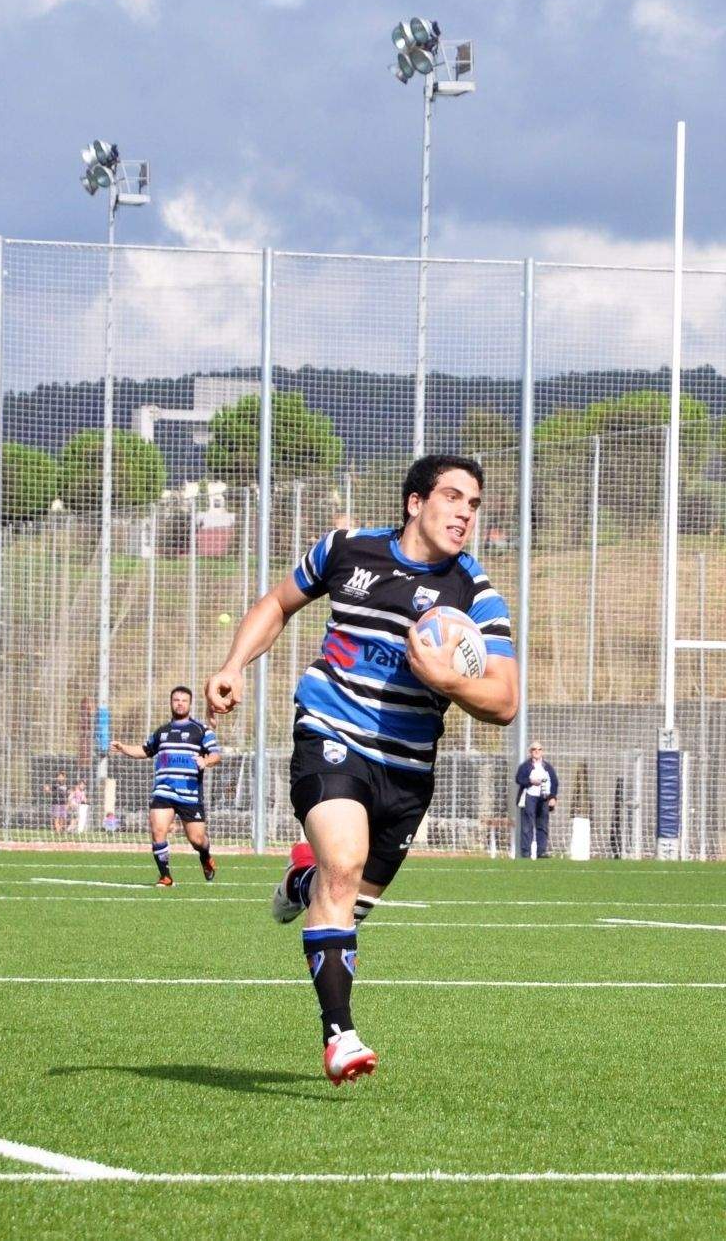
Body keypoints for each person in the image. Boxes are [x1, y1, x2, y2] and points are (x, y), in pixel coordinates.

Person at [206, 454, 518, 1086]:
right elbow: (278, 603)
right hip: (331, 731)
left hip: (407, 769)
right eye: (453, 497)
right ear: (415, 502)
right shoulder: (346, 550)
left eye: (474, 504)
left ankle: (302, 882)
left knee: (346, 900)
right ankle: (339, 1035)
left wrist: (450, 681)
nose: (464, 513)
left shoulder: (476, 596)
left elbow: (505, 700)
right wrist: (234, 664)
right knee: (343, 867)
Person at [110, 686, 222, 886]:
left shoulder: (201, 730)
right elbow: (145, 750)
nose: (180, 703)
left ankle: (205, 857)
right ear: (171, 703)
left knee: (197, 840)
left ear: (190, 704)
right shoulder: (162, 732)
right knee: (158, 831)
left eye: (184, 700)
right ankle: (165, 876)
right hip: (163, 791)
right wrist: (123, 748)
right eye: (176, 700)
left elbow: (216, 755)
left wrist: (206, 761)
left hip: (189, 794)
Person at [513, 742, 559, 859]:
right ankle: (526, 853)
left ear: (542, 751)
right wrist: (530, 781)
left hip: (544, 798)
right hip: (529, 796)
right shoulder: (525, 766)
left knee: (542, 825)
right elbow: (519, 779)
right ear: (530, 752)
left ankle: (541, 852)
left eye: (539, 749)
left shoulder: (547, 767)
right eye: (534, 749)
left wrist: (552, 797)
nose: (537, 751)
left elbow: (554, 782)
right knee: (527, 826)